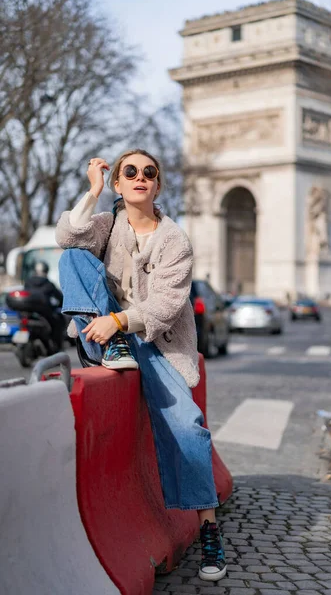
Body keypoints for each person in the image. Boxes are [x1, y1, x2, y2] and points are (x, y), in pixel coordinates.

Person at [55, 149, 227, 582]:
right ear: (118, 183)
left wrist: (119, 321)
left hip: (157, 343)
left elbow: (167, 306)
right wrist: (92, 191)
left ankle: (209, 529)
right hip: (109, 338)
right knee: (72, 257)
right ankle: (112, 350)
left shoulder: (175, 241)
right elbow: (67, 238)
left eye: (148, 173)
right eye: (128, 172)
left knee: (188, 426)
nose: (139, 178)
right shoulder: (106, 224)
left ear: (157, 185)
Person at [24, 260, 65, 350]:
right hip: (45, 313)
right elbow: (60, 298)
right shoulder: (48, 284)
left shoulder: (28, 282)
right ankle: (56, 346)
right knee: (57, 323)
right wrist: (61, 305)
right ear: (46, 270)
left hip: (29, 312)